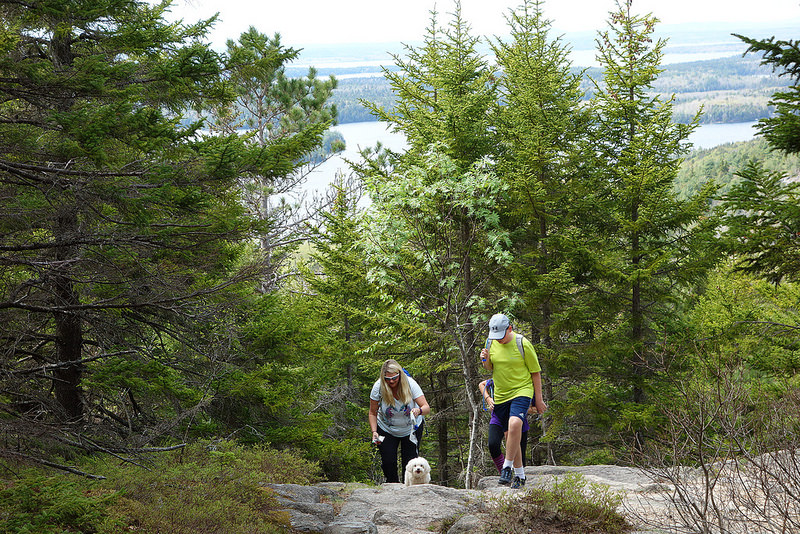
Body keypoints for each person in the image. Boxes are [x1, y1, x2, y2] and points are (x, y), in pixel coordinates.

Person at [480, 313, 547, 488]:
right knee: (511, 436)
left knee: (515, 424)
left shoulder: (522, 343)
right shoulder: (491, 342)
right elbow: (490, 368)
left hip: (522, 390)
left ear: (509, 329)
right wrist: (485, 361)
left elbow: (535, 373)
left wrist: (538, 400)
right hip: (501, 394)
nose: (498, 340)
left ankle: (507, 467)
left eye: (501, 336)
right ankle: (520, 475)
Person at [369, 359, 431, 483]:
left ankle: (409, 491)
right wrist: (374, 431)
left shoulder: (411, 384)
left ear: (400, 375)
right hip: (386, 428)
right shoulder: (378, 387)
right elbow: (372, 412)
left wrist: (418, 411)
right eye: (387, 379)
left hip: (411, 429)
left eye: (394, 378)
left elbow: (426, 407)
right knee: (388, 462)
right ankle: (392, 489)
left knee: (409, 464)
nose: (391, 381)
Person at [478, 378, 535, 475]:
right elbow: (482, 384)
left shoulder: (525, 383)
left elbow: (534, 409)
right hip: (498, 417)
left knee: (520, 454)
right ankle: (504, 471)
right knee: (493, 445)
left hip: (517, 421)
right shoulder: (501, 377)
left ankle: (518, 476)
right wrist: (489, 399)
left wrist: (521, 408)